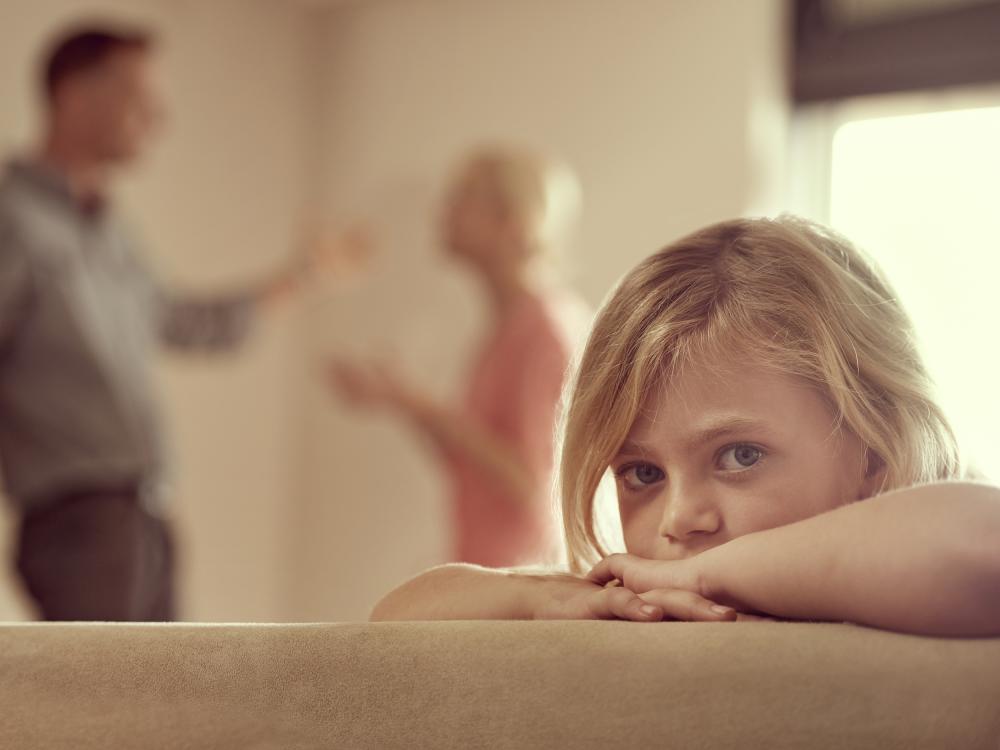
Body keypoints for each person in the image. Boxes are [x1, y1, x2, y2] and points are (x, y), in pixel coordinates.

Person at [370, 215, 1000, 637]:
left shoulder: (915, 578)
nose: (679, 519)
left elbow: (982, 543)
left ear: (873, 459)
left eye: (740, 457)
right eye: (642, 473)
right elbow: (396, 619)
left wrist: (701, 574)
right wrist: (544, 596)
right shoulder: (644, 602)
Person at [0, 25, 358, 621]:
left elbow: (183, 322)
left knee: (162, 709)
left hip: (146, 516)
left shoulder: (111, 233)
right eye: (138, 95)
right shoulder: (12, 220)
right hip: (75, 520)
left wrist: (304, 276)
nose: (158, 115)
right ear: (74, 95)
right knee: (99, 709)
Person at [330, 146, 588, 568]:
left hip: (521, 580)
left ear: (512, 221)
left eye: (463, 196)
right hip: (491, 569)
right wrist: (403, 401)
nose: (443, 211)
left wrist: (420, 404)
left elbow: (532, 483)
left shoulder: (545, 330)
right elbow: (474, 463)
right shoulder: (506, 326)